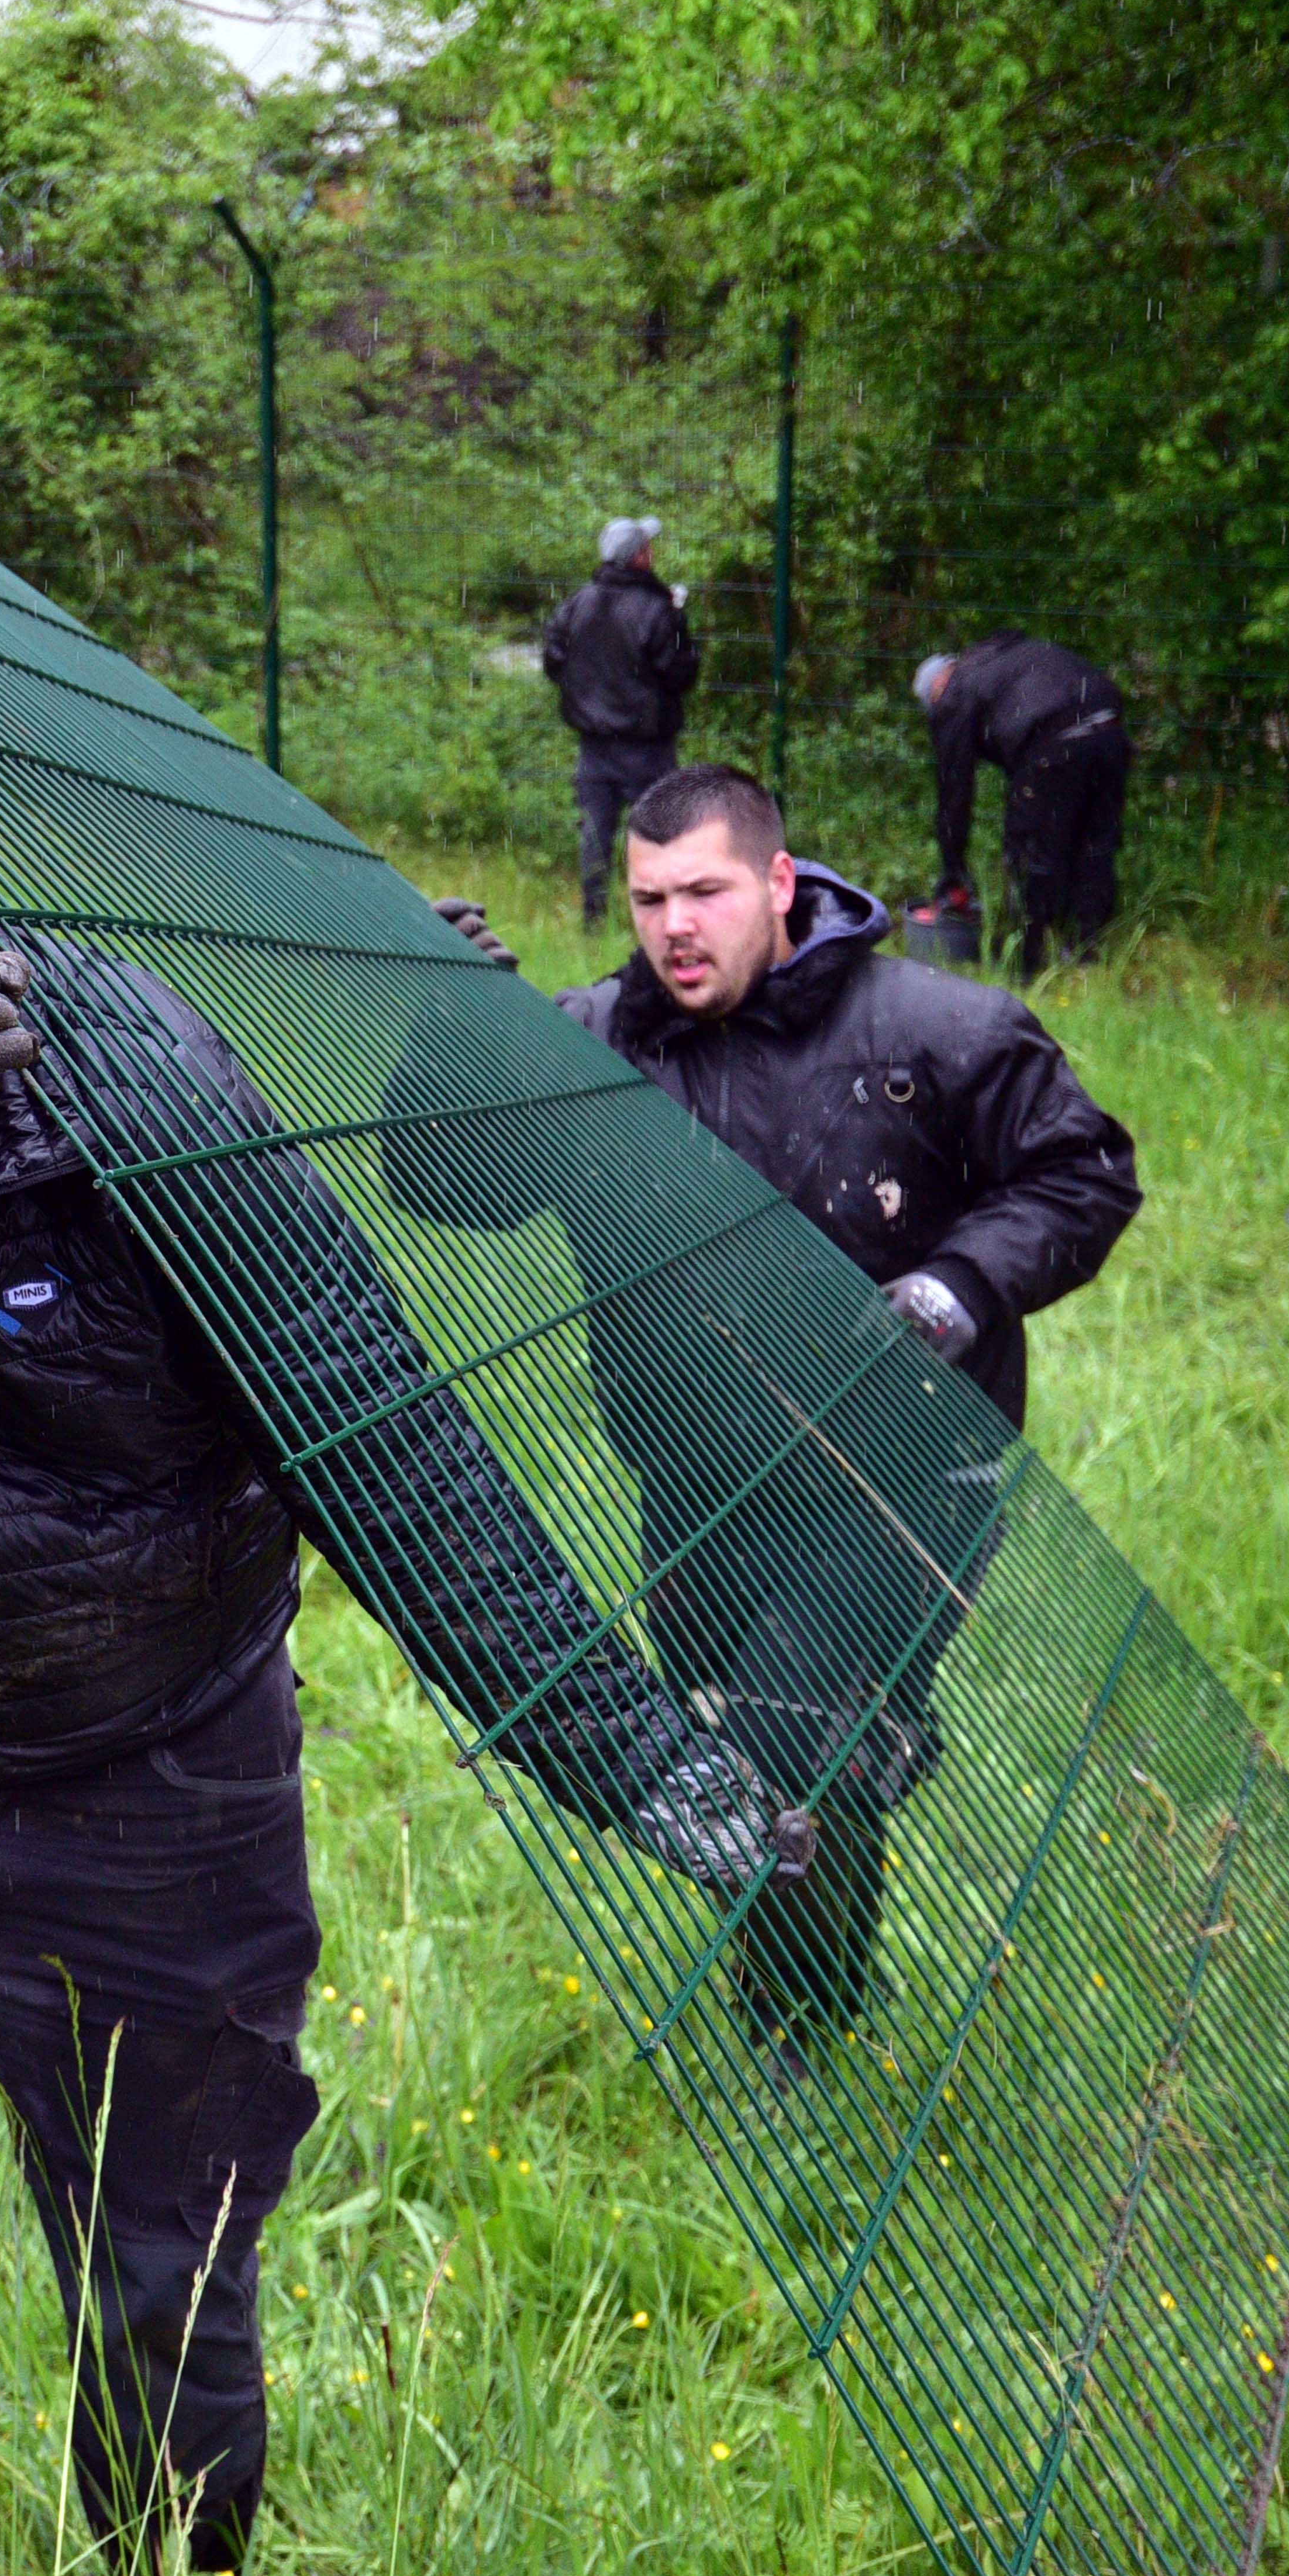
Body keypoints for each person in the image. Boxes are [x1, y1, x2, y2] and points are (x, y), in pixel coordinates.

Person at [0, 746, 778, 2576]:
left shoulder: (143, 1091)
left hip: (160, 1754)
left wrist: (631, 1755)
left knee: (163, 2272)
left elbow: (381, 1448)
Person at [381, 762, 1140, 2070]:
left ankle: (795, 2019)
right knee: (731, 1731)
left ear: (777, 884)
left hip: (899, 1479)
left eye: (704, 892)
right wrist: (453, 1029)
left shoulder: (934, 1035)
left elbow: (1080, 1170)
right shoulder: (585, 1051)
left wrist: (954, 1287)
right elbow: (444, 1185)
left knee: (793, 1721)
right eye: (646, 898)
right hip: (689, 1481)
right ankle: (868, 1760)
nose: (673, 925)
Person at [910, 635, 1129, 969]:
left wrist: (952, 870)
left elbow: (955, 792)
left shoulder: (955, 694)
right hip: (1109, 727)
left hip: (1054, 740)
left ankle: (1029, 959)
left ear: (935, 691)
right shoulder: (995, 657)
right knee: (1095, 844)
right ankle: (1087, 952)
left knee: (1032, 851)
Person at [540, 516, 701, 929]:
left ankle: (592, 922)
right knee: (660, 835)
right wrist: (679, 623)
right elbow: (681, 673)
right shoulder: (657, 610)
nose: (652, 553)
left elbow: (552, 660)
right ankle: (661, 918)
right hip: (647, 747)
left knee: (595, 836)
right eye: (648, 547)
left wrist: (587, 693)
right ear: (639, 557)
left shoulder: (577, 604)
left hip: (594, 745)